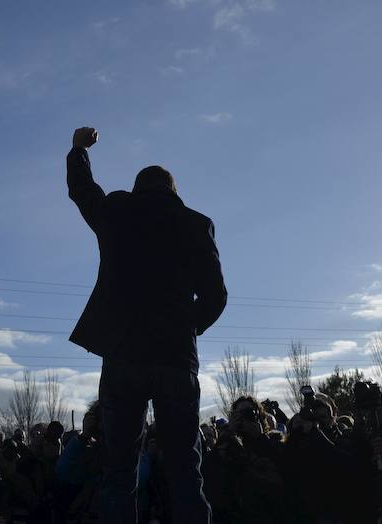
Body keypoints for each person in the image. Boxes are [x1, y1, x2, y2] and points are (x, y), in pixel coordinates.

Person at [66, 126, 228, 524]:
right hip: (175, 357)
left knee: (119, 471)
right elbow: (216, 296)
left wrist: (78, 151)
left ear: (138, 188)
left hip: (124, 355)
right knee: (186, 471)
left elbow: (83, 192)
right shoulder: (195, 223)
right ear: (173, 191)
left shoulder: (117, 213)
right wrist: (189, 328)